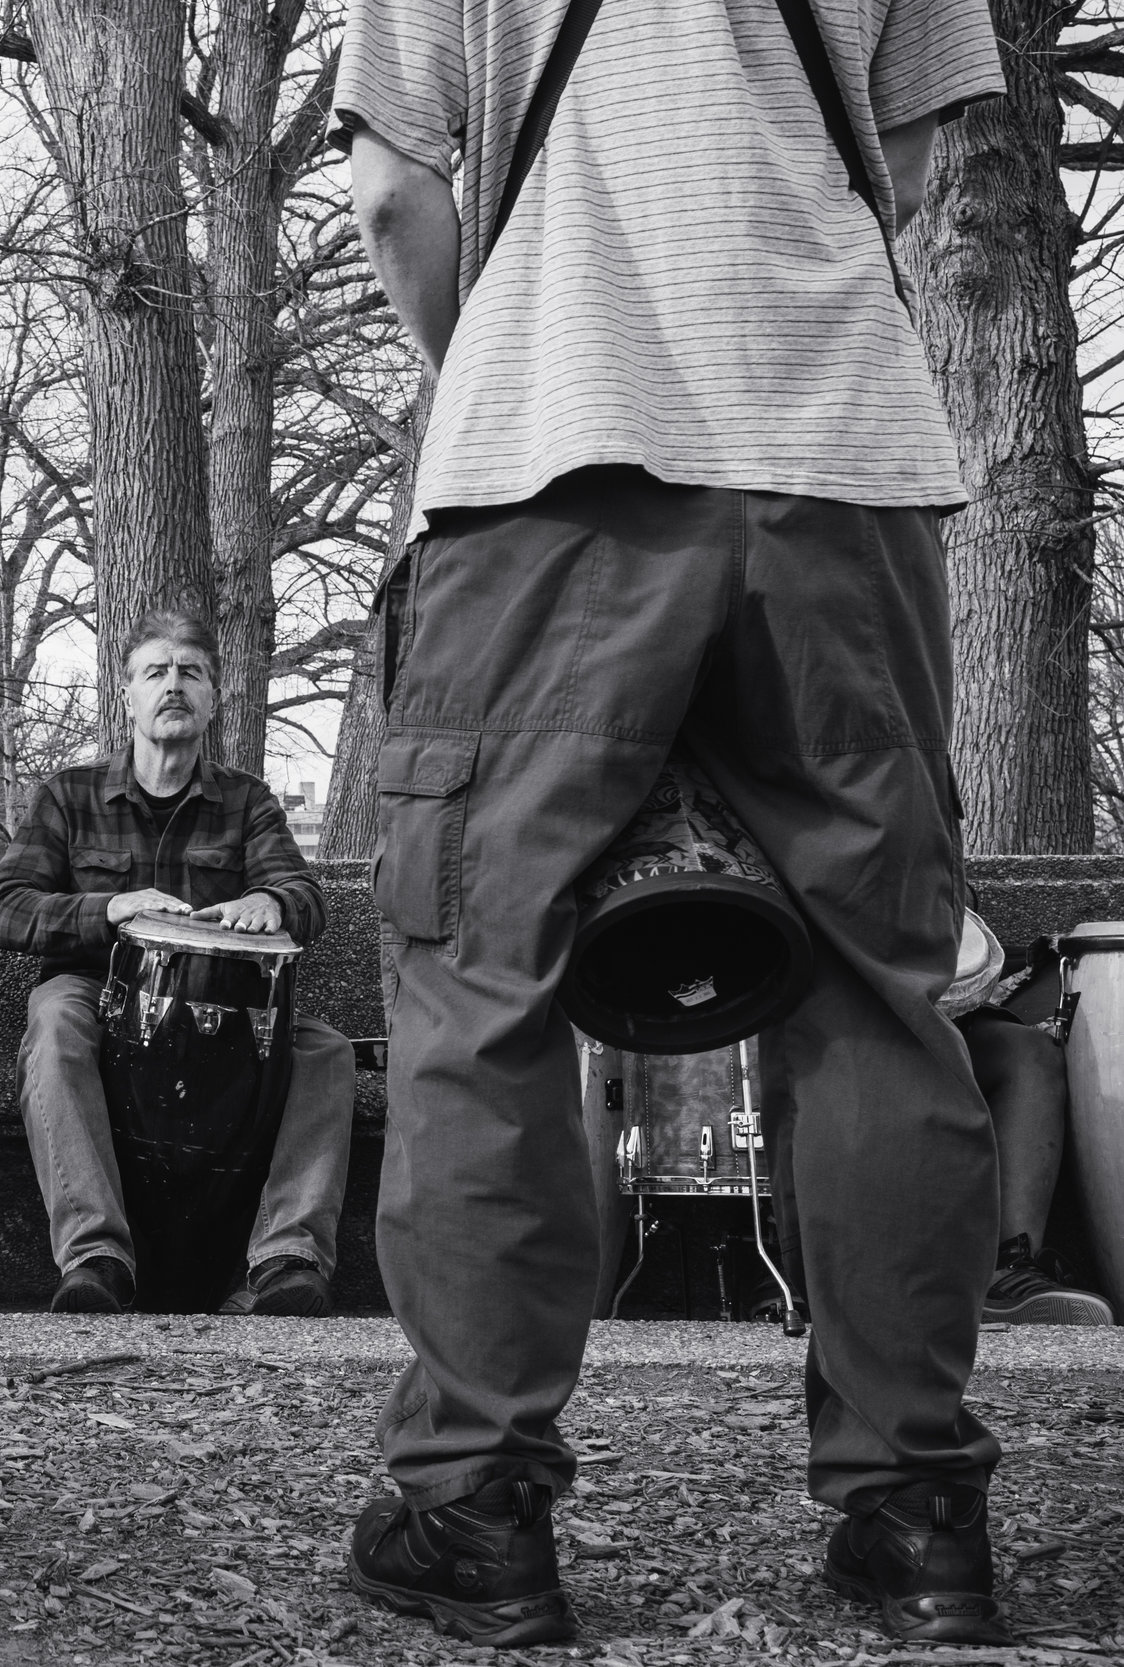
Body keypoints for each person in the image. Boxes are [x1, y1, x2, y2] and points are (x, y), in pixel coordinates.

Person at [340, 0, 1012, 1647]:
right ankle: (915, 1520)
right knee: (881, 986)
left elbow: (392, 191)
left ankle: (476, 1506)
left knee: (478, 970)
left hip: (554, 456)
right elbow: (909, 153)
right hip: (840, 456)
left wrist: (486, 367)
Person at [0, 611, 353, 1317]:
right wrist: (109, 908)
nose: (173, 685)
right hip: (97, 991)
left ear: (215, 698)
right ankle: (97, 1256)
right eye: (155, 671)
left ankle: (287, 1257)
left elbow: (305, 895)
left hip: (213, 1009)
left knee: (326, 1049)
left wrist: (272, 901)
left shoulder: (246, 801)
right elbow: (6, 907)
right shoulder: (71, 794)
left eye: (191, 672)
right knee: (54, 1020)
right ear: (126, 695)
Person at [950, 923, 1114, 1326]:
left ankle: (1011, 1268)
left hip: (931, 992)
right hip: (821, 995)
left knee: (1029, 1055)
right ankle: (790, 1253)